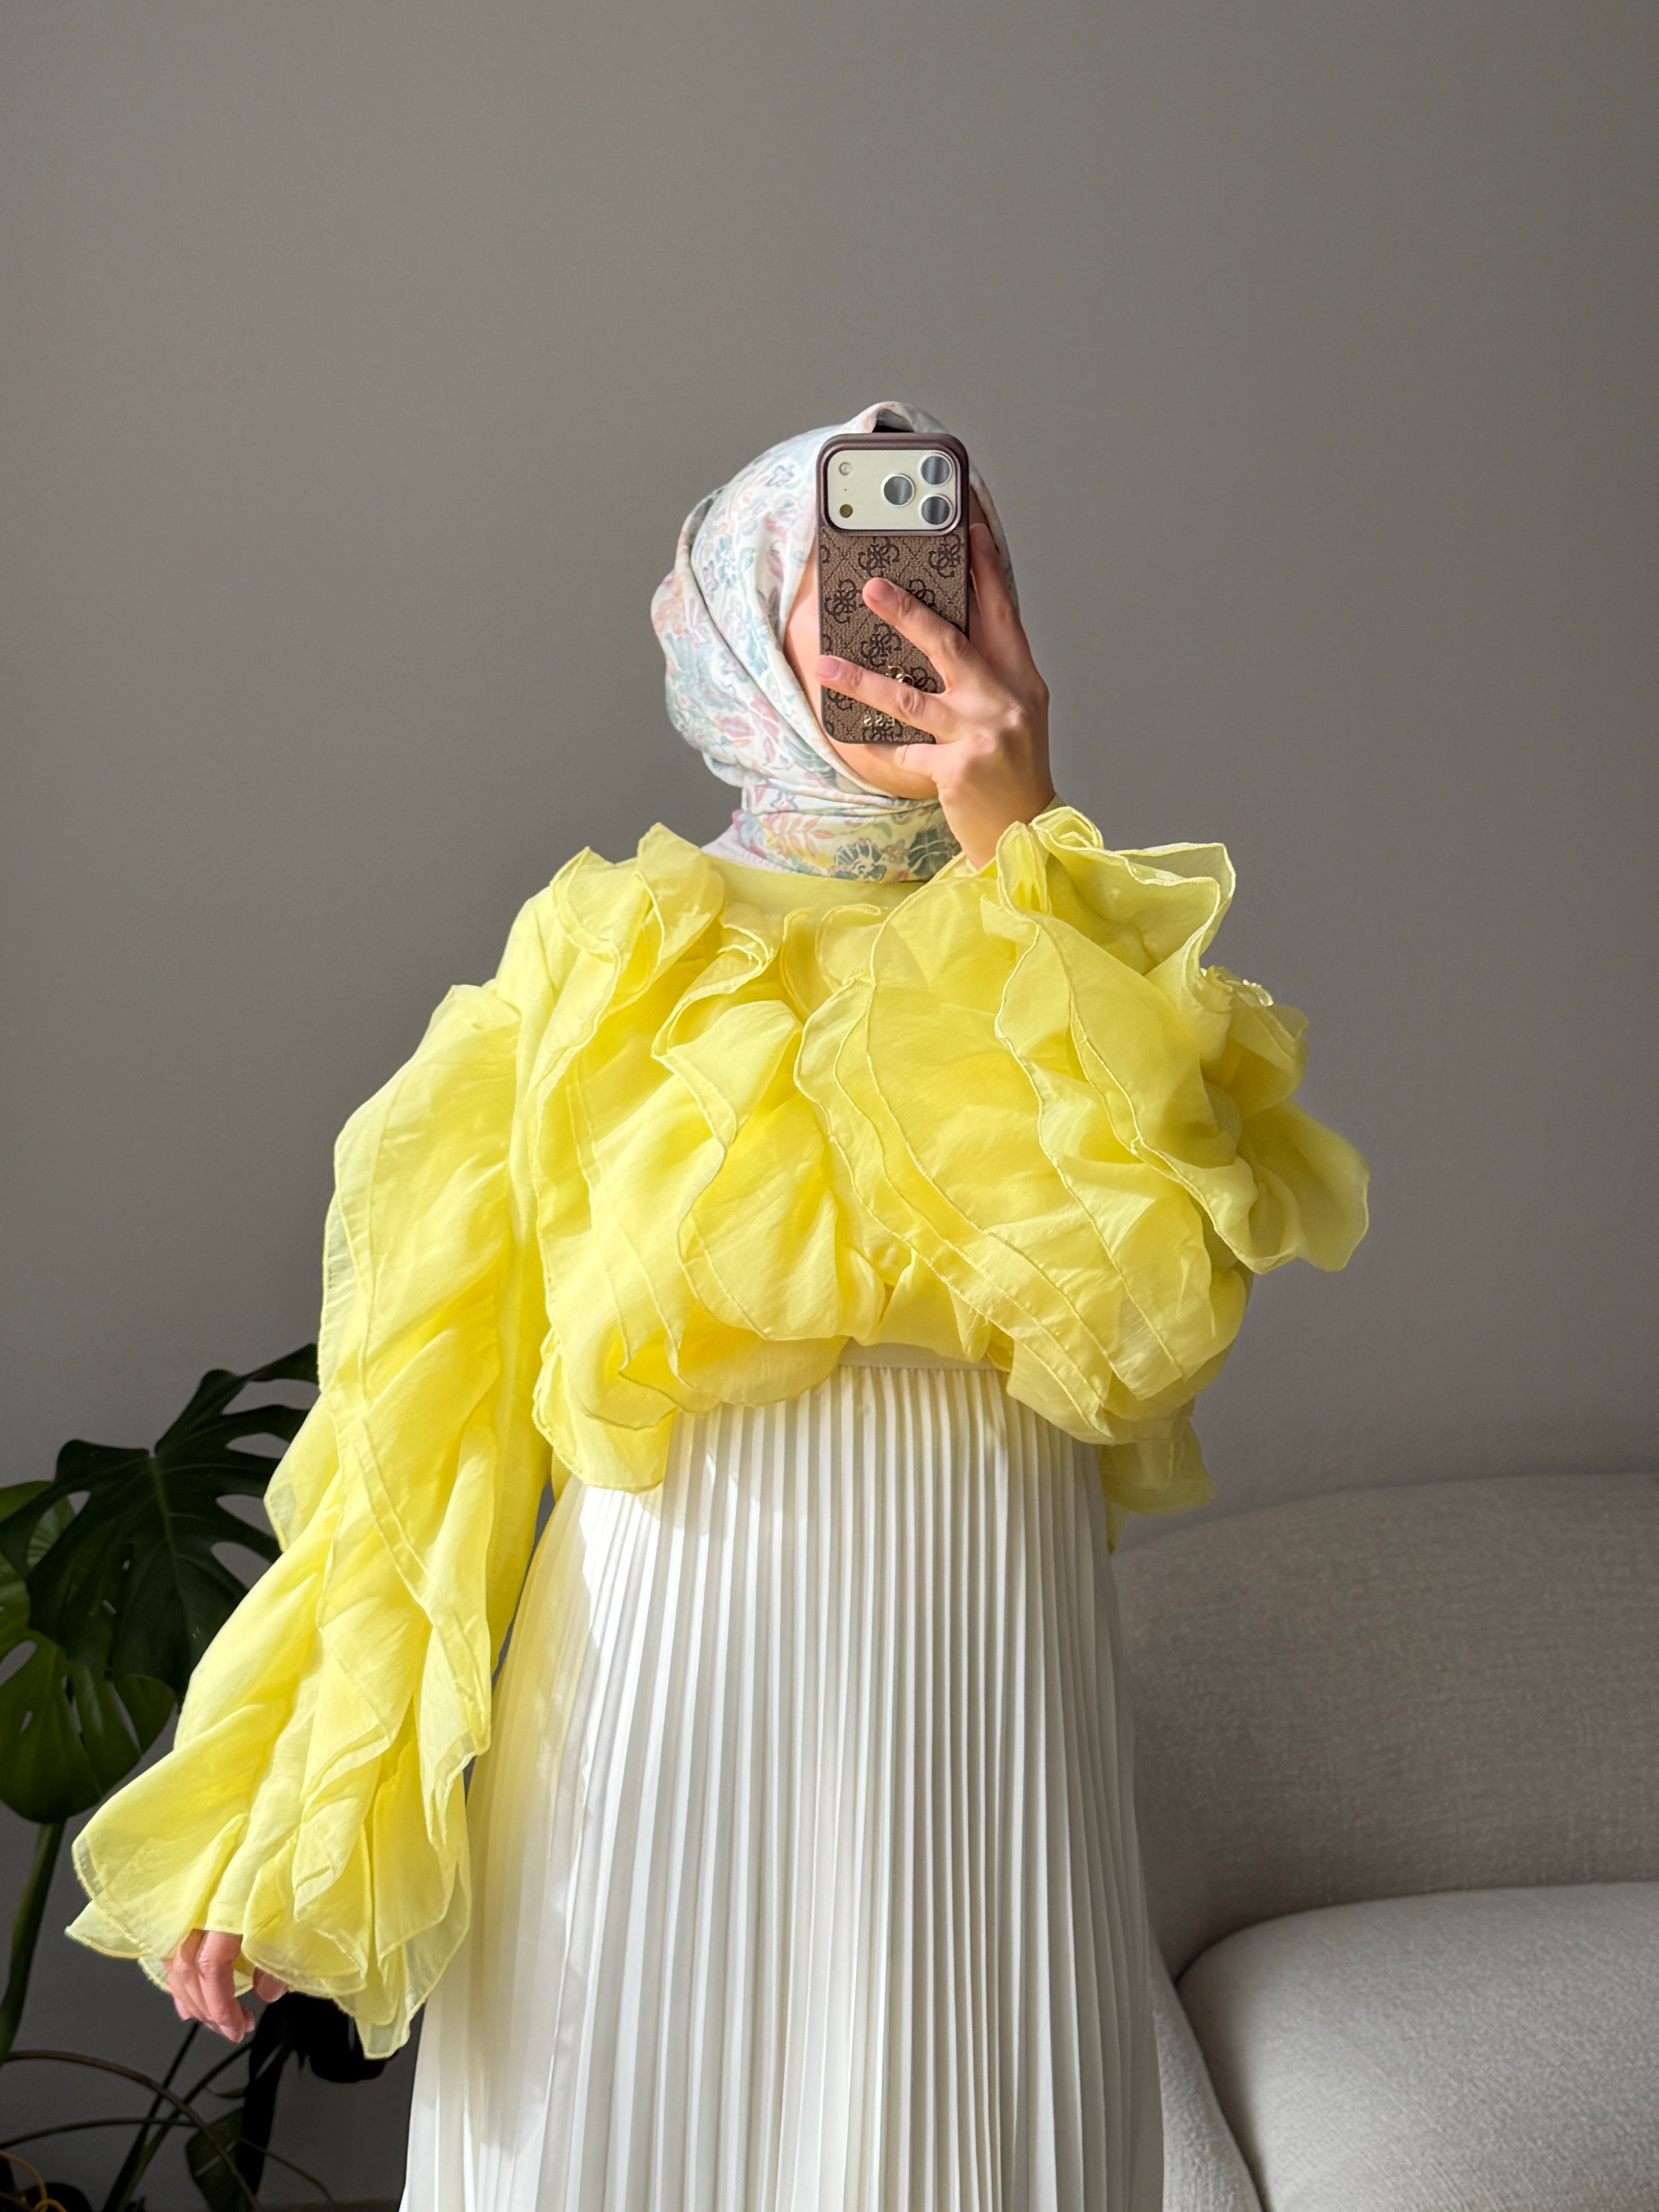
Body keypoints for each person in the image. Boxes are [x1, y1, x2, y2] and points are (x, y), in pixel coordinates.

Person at [68, 402, 1369, 2211]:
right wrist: (292, 1814)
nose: (898, 623)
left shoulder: (1080, 951)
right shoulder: (602, 956)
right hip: (651, 1718)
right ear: (754, 622)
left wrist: (1022, 839)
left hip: (978, 1730)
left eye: (943, 578)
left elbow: (1152, 1312)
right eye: (850, 582)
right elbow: (414, 1429)